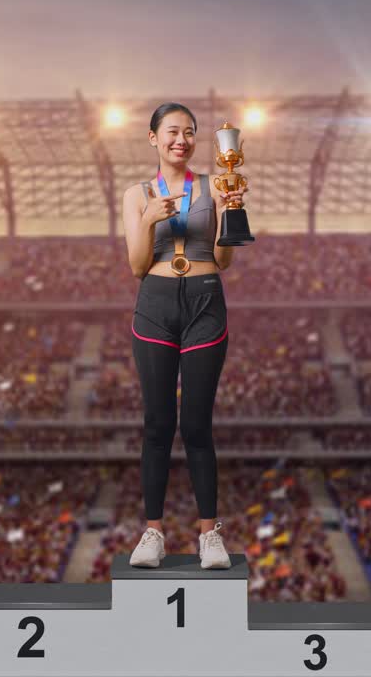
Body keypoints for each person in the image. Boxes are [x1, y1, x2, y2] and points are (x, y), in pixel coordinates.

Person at [121, 102, 247, 569]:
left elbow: (224, 259)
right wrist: (151, 217)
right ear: (153, 138)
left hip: (205, 300)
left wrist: (232, 211)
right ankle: (152, 533)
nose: (182, 139)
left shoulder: (216, 184)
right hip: (154, 305)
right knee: (157, 424)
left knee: (196, 425)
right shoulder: (136, 194)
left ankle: (208, 534)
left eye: (190, 132)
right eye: (172, 131)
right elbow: (136, 266)